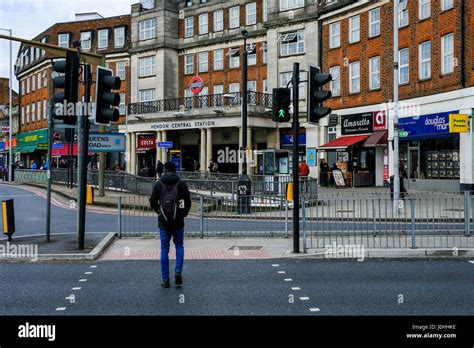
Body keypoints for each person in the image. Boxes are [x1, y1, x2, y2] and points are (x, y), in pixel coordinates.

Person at [149, 162, 191, 288]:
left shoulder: (159, 184)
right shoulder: (181, 184)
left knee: (164, 250)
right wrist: (183, 213)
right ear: (174, 170)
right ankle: (178, 272)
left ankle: (165, 279)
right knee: (179, 246)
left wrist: (159, 212)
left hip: (164, 222)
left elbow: (152, 202)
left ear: (164, 170)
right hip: (178, 221)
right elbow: (188, 201)